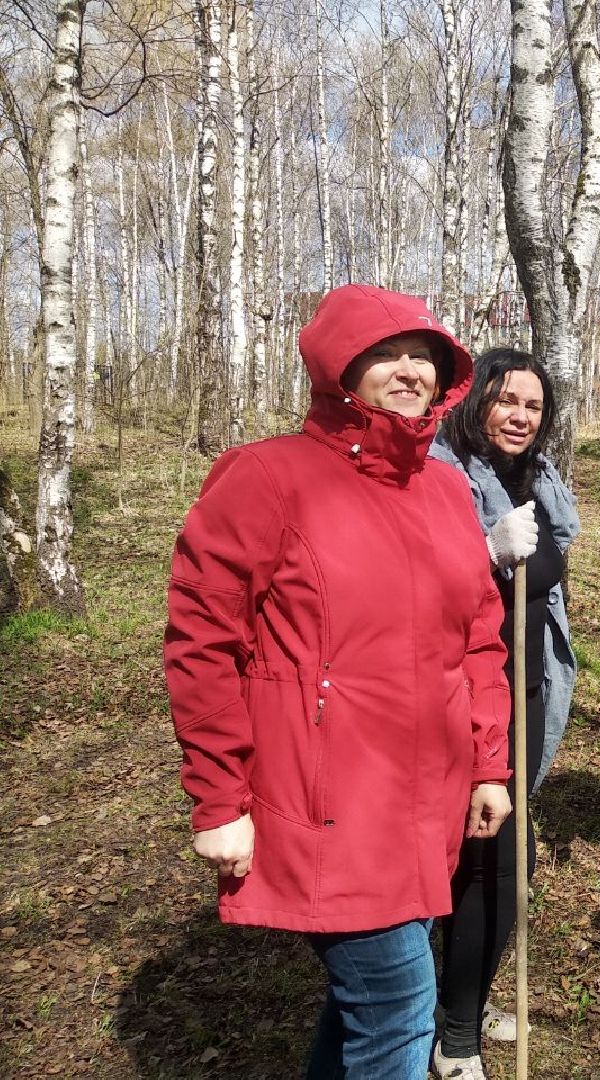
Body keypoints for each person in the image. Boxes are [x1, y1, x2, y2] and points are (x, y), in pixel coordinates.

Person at [165, 285, 513, 1079]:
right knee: (396, 1006)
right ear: (338, 369)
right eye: (385, 354)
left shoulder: (446, 491)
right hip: (328, 802)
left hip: (425, 799)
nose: (409, 370)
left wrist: (489, 761)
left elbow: (479, 639)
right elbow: (201, 644)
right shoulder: (265, 477)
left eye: (424, 357)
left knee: (370, 1002)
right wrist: (219, 799)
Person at [428, 349, 579, 1079]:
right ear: (475, 400)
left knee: (499, 865)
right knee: (489, 864)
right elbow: (412, 589)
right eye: (506, 399)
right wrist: (484, 552)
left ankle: (467, 993)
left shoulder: (539, 481)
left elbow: (550, 580)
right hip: (465, 696)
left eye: (533, 406)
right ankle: (455, 1038)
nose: (521, 416)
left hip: (526, 686)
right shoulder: (438, 474)